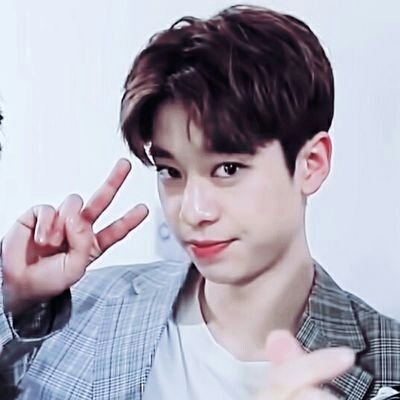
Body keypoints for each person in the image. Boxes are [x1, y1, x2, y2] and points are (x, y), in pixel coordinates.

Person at [1, 4, 399, 399]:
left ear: (311, 164)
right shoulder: (84, 307)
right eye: (170, 171)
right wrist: (18, 300)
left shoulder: (388, 364)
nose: (193, 212)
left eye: (228, 169)